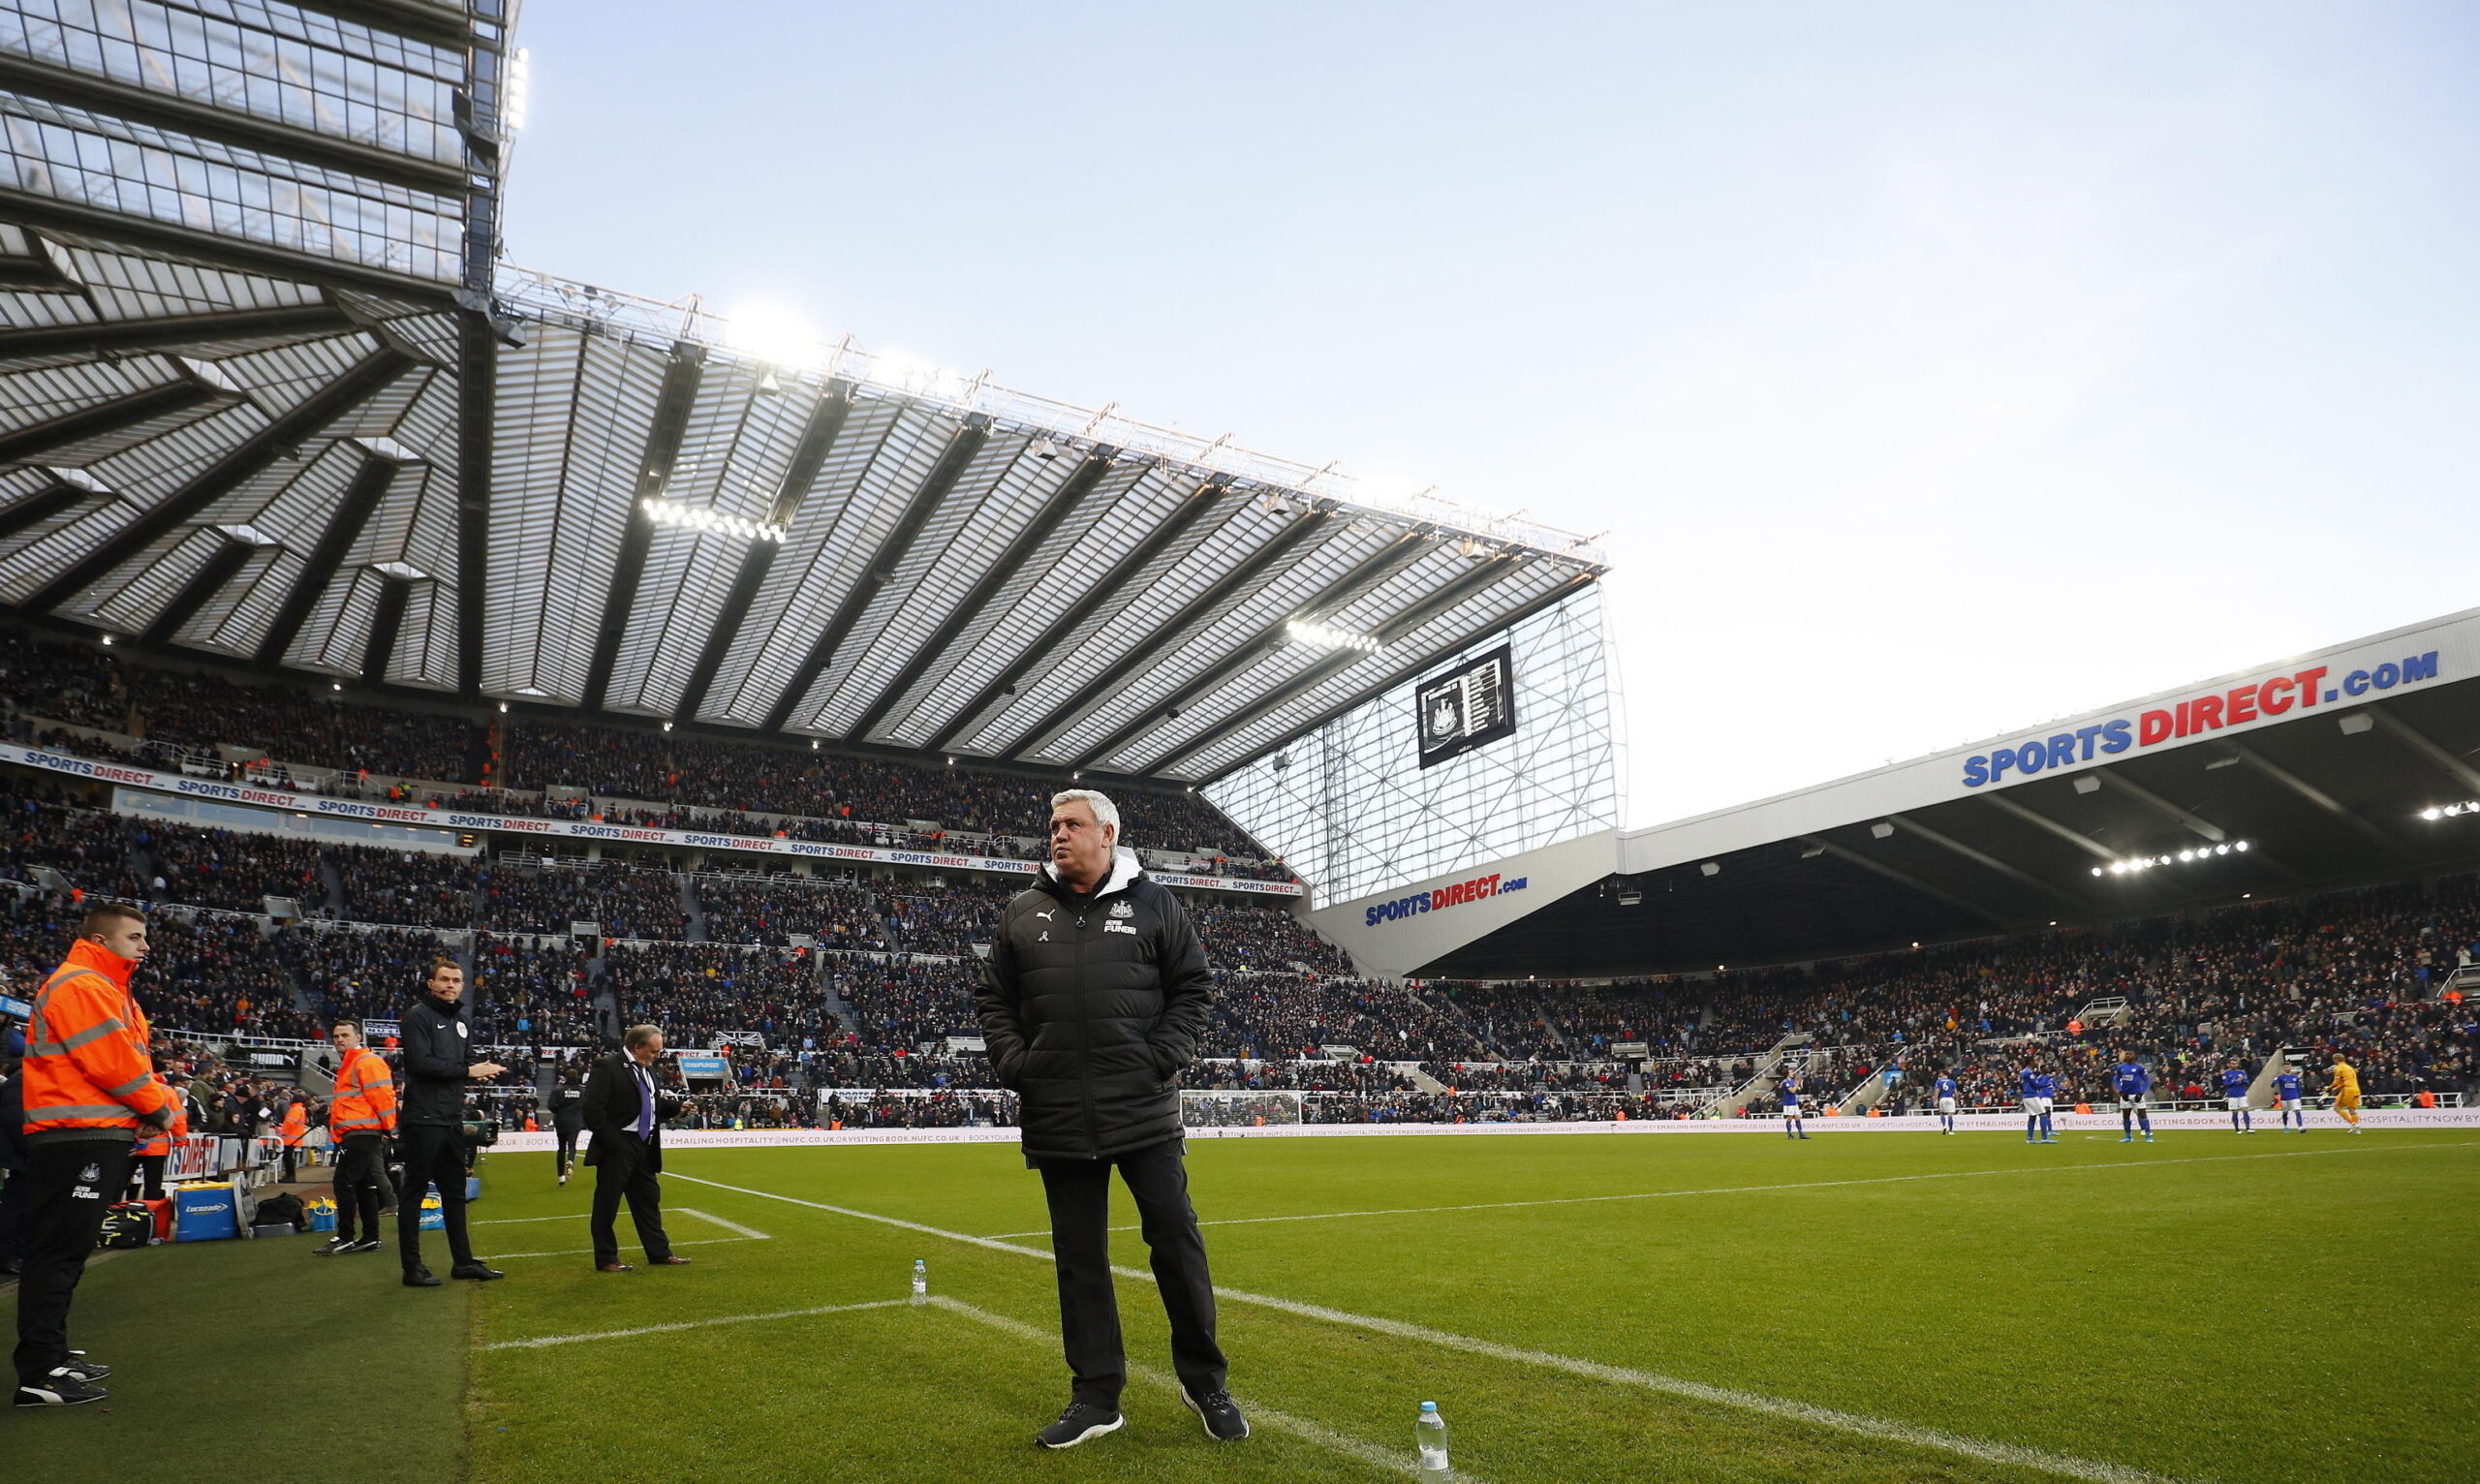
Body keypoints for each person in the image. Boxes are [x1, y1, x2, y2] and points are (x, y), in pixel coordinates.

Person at [974, 788, 1246, 1449]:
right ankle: (1097, 1396)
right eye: (1053, 826)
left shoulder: (1156, 904)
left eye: (1072, 825)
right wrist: (1018, 1063)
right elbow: (993, 999)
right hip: (1057, 1114)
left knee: (1176, 1244)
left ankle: (1204, 1381)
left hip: (1143, 1112)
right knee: (1080, 1261)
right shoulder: (1023, 911)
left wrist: (1163, 1056)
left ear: (1108, 833)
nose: (1058, 836)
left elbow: (1195, 989)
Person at [16, 904, 174, 1407]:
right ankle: (39, 1371)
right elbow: (116, 1066)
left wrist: (144, 1111)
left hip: (89, 1132)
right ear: (102, 941)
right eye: (135, 936)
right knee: (59, 1251)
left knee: (68, 1250)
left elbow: (120, 1065)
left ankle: (52, 1356)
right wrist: (162, 1109)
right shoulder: (83, 985)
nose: (145, 946)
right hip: (75, 1135)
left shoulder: (102, 987)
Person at [395, 958, 505, 1287]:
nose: (451, 985)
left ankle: (463, 1262)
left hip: (451, 1118)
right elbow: (420, 1064)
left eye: (456, 981)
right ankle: (412, 1268)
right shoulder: (417, 1016)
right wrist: (468, 1071)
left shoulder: (462, 1020)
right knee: (414, 1193)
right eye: (444, 979)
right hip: (423, 1118)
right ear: (430, 982)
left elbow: (463, 1063)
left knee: (455, 1193)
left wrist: (480, 1069)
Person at [582, 1025, 688, 1272]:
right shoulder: (608, 1066)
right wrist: (615, 1143)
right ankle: (607, 1258)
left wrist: (677, 1107)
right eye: (653, 1051)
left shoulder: (649, 1070)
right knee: (607, 1204)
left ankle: (660, 1253)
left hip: (644, 1145)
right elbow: (592, 1111)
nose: (657, 1056)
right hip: (618, 1145)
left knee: (648, 1200)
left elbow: (650, 1103)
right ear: (637, 1047)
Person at [319, 1020, 396, 1256]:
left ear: (358, 1037)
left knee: (344, 1181)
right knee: (363, 1185)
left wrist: (389, 1126)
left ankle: (345, 1236)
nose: (339, 1039)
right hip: (360, 1131)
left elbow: (383, 1094)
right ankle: (370, 1237)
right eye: (336, 1036)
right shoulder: (353, 1064)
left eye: (345, 1035)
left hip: (362, 1132)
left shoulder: (365, 1061)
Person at [549, 1065, 586, 1186]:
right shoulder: (582, 1090)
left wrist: (559, 1111)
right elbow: (587, 1105)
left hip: (561, 1121)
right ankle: (570, 1161)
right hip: (575, 1121)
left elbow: (551, 1106)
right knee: (572, 1145)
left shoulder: (558, 1090)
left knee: (561, 1148)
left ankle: (561, 1177)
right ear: (577, 1077)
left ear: (565, 1077)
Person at [2111, 1053, 2154, 1143]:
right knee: (2126, 1116)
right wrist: (2120, 1091)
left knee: (2142, 1114)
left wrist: (2141, 1092)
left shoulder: (2139, 1067)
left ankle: (2148, 1135)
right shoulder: (2120, 1067)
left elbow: (2146, 1081)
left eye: (2130, 1054)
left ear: (2134, 1057)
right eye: (2127, 1054)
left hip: (2137, 1094)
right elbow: (2116, 1080)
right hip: (2125, 1095)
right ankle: (2128, 1137)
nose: (2129, 1056)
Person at [2019, 1063, 2056, 1145]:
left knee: (2032, 1116)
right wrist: (2047, 1079)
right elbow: (2037, 1085)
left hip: (2026, 1096)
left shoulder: (2024, 1071)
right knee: (2043, 1115)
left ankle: (2030, 1138)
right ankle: (2044, 1137)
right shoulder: (2029, 1072)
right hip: (2032, 1096)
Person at [2327, 1053, 2362, 1133]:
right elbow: (2344, 1081)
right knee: (2351, 1109)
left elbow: (2336, 1081)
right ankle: (2356, 1130)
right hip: (2356, 1089)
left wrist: (2329, 1088)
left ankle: (2353, 1124)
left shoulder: (2338, 1068)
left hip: (2347, 1090)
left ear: (2336, 1059)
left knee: (2337, 1107)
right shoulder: (2349, 1067)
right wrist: (2336, 1088)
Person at [278, 1094, 309, 1183]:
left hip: (290, 1137)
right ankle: (289, 1175)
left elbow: (290, 1122)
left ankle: (290, 1176)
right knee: (288, 1157)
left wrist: (283, 1132)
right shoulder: (300, 1109)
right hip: (294, 1137)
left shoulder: (295, 1109)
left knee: (287, 1157)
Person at [2220, 1063, 2254, 1133]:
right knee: (2235, 1112)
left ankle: (2248, 1128)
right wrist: (2236, 1081)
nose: (2234, 1065)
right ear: (2229, 1064)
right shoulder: (2226, 1073)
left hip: (2241, 1094)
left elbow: (2247, 1082)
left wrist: (2243, 1080)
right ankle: (2237, 1129)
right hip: (2232, 1095)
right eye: (2233, 1064)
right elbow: (2226, 1084)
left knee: (2245, 1110)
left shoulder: (2242, 1072)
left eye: (2235, 1064)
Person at [2274, 1065, 2307, 1131]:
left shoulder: (2295, 1077)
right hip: (2285, 1098)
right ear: (2283, 1068)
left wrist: (2299, 1096)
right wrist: (2275, 1080)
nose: (2288, 1068)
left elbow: (2298, 1087)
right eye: (2286, 1067)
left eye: (2289, 1067)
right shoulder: (2281, 1077)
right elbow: (2272, 1085)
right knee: (2285, 1113)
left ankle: (2300, 1127)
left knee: (2297, 1111)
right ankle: (2285, 1127)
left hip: (2294, 1097)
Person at [1779, 1068, 1809, 1140]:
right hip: (1788, 1103)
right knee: (1790, 1118)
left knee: (1798, 1117)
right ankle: (1790, 1134)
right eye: (1791, 1072)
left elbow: (1798, 1089)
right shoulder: (1786, 1082)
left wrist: (1799, 1083)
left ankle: (1801, 1134)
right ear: (1787, 1074)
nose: (1792, 1073)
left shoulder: (1792, 1081)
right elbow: (1792, 1090)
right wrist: (1797, 1083)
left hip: (1794, 1102)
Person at [1933, 1070, 1959, 1134]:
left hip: (1942, 1099)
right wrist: (1957, 1100)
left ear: (1944, 1074)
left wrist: (1935, 1100)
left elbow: (1937, 1092)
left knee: (1942, 1113)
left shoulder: (1939, 1082)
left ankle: (1944, 1126)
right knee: (1950, 1115)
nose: (1940, 1075)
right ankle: (1950, 1131)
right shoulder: (1952, 1082)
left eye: (1941, 1074)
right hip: (1950, 1098)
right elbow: (1956, 1092)